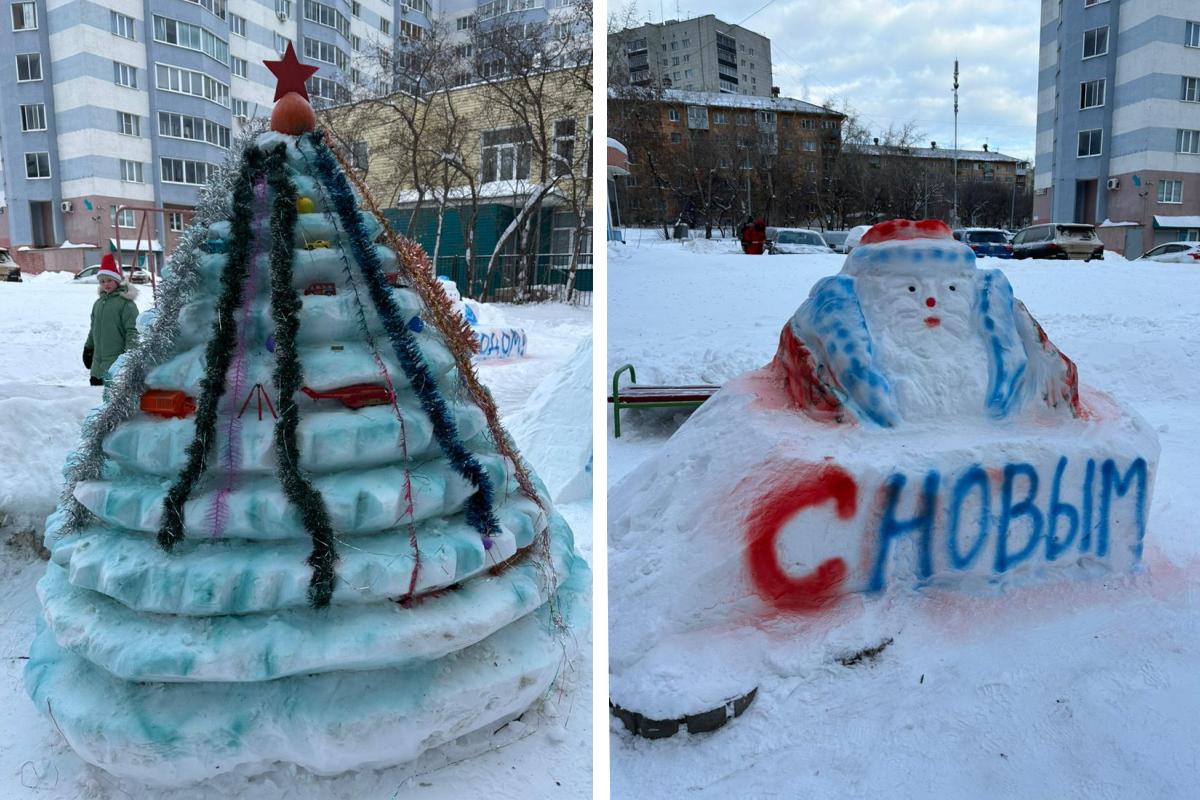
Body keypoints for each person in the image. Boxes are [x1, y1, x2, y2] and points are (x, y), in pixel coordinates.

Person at [83, 253, 138, 386]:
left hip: (116, 369)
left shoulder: (126, 303)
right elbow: (93, 329)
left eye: (109, 280)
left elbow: (132, 332)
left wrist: (129, 359)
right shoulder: (98, 304)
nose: (106, 284)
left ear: (117, 281)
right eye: (102, 281)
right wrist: (88, 348)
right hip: (97, 369)